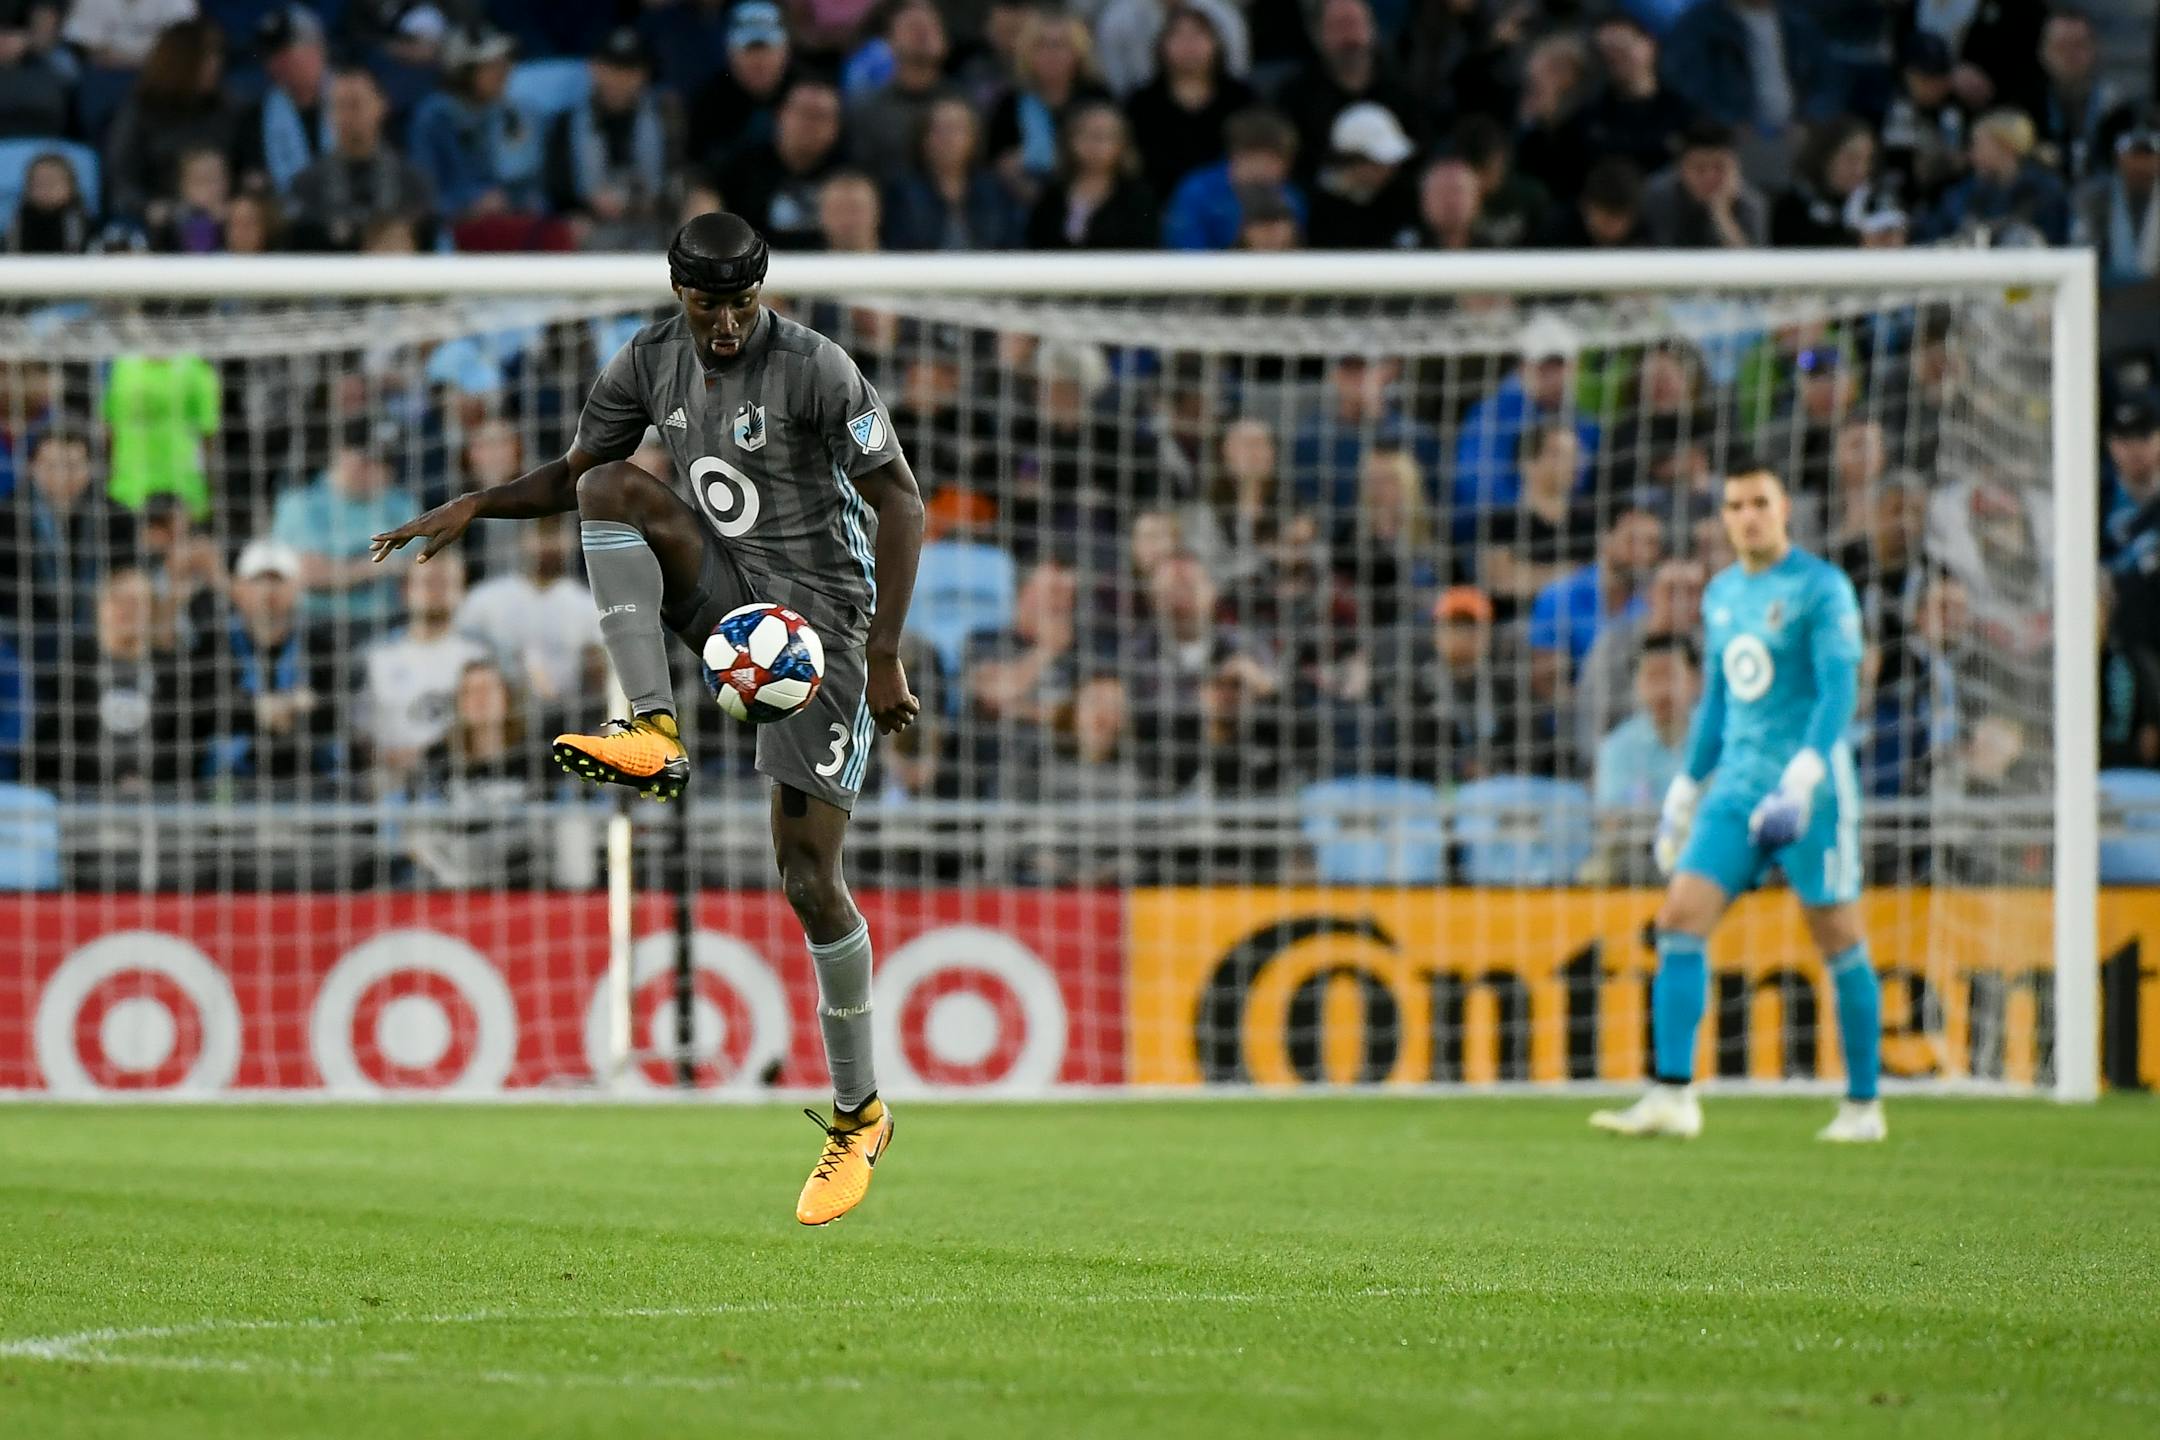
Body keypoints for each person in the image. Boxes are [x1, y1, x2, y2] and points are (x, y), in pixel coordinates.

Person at [370, 213, 924, 1226]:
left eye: (741, 303)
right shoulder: (650, 359)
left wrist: (883, 652)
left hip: (823, 630)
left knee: (807, 878)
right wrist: (475, 503)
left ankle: (862, 1115)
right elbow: (576, 472)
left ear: (763, 292)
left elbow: (903, 503)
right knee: (607, 486)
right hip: (734, 600)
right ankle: (654, 732)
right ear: (678, 289)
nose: (724, 322)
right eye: (707, 302)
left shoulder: (816, 368)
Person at [1591, 462, 1884, 1144]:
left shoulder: (1822, 587)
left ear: (1784, 510)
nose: (1747, 515)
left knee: (1836, 934)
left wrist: (1805, 776)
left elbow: (1838, 689)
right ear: (1723, 517)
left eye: (1759, 502)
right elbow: (1719, 702)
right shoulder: (1722, 594)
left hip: (1809, 789)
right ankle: (1672, 1094)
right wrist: (1686, 789)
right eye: (1734, 505)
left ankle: (1864, 1107)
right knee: (1679, 917)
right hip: (1738, 784)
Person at [196, 538, 345, 787]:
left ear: (296, 587)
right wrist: (260, 710)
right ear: (239, 589)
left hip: (309, 779)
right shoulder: (214, 645)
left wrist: (287, 711)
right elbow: (204, 708)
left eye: (278, 580)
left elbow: (332, 712)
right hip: (232, 781)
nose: (267, 591)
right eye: (257, 581)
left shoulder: (321, 644)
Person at [359, 549, 486, 793]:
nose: (435, 592)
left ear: (462, 590)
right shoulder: (376, 658)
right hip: (392, 783)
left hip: (464, 782)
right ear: (405, 590)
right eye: (427, 582)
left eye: (445, 583)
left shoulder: (480, 656)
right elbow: (360, 732)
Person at [1588, 631, 1702, 886]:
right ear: (1636, 684)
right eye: (1652, 676)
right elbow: (1612, 822)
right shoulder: (1618, 747)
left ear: (1697, 681)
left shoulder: (1721, 739)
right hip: (1641, 862)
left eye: (1671, 675)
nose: (1662, 689)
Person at [102, 18, 239, 224]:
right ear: (181, 61)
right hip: (160, 221)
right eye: (206, 56)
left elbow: (244, 169)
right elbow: (120, 179)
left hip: (223, 219)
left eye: (217, 55)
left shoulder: (226, 108)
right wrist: (149, 208)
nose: (216, 64)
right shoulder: (141, 109)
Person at [288, 66, 437, 253]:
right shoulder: (306, 185)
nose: (346, 117)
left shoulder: (413, 184)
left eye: (355, 105)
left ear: (381, 105)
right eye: (339, 106)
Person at [1119, 4, 1256, 201]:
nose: (1189, 46)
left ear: (1216, 44)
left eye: (1198, 36)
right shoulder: (1142, 102)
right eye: (1178, 36)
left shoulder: (1241, 98)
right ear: (1162, 45)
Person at [883, 95, 1025, 251]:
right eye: (938, 129)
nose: (947, 138)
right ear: (922, 139)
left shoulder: (995, 191)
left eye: (956, 129)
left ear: (973, 138)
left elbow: (1010, 247)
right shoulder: (901, 192)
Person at [721, 76, 846, 251]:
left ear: (836, 126)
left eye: (820, 116)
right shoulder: (741, 169)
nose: (810, 124)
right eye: (803, 113)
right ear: (780, 115)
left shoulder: (849, 173)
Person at [1023, 100, 1156, 250]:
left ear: (1123, 144)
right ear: (1069, 140)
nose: (1094, 145)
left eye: (1104, 136)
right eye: (1086, 134)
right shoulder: (1053, 195)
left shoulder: (1138, 197)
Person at [235, 5, 331, 196]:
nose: (277, 64)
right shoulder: (254, 120)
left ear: (316, 49)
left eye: (286, 53)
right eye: (271, 56)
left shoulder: (355, 102)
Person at [4, 151, 93, 254]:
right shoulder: (18, 222)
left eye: (52, 183)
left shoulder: (82, 222)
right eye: (39, 183)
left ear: (70, 187)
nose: (46, 189)